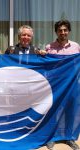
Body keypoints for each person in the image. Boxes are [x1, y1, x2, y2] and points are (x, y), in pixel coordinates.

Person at [40, 20, 80, 150]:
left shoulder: (76, 47)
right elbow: (46, 66)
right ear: (56, 32)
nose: (62, 32)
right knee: (54, 111)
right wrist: (42, 55)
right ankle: (52, 138)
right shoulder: (49, 47)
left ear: (68, 31)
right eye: (60, 30)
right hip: (55, 85)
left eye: (65, 30)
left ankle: (69, 138)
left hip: (72, 85)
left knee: (71, 112)